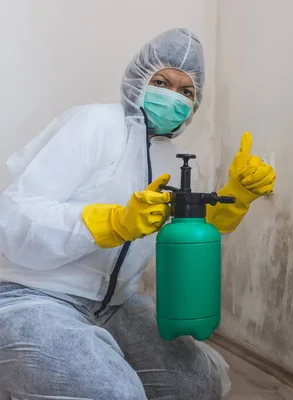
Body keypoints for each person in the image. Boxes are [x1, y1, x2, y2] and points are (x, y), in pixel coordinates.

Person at [0, 28, 275, 399]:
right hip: (34, 296)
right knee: (115, 393)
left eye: (186, 91)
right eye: (162, 82)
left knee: (195, 385)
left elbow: (186, 234)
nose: (172, 97)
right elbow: (15, 217)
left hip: (114, 305)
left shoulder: (169, 155)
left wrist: (235, 197)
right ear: (138, 78)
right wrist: (111, 222)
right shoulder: (93, 124)